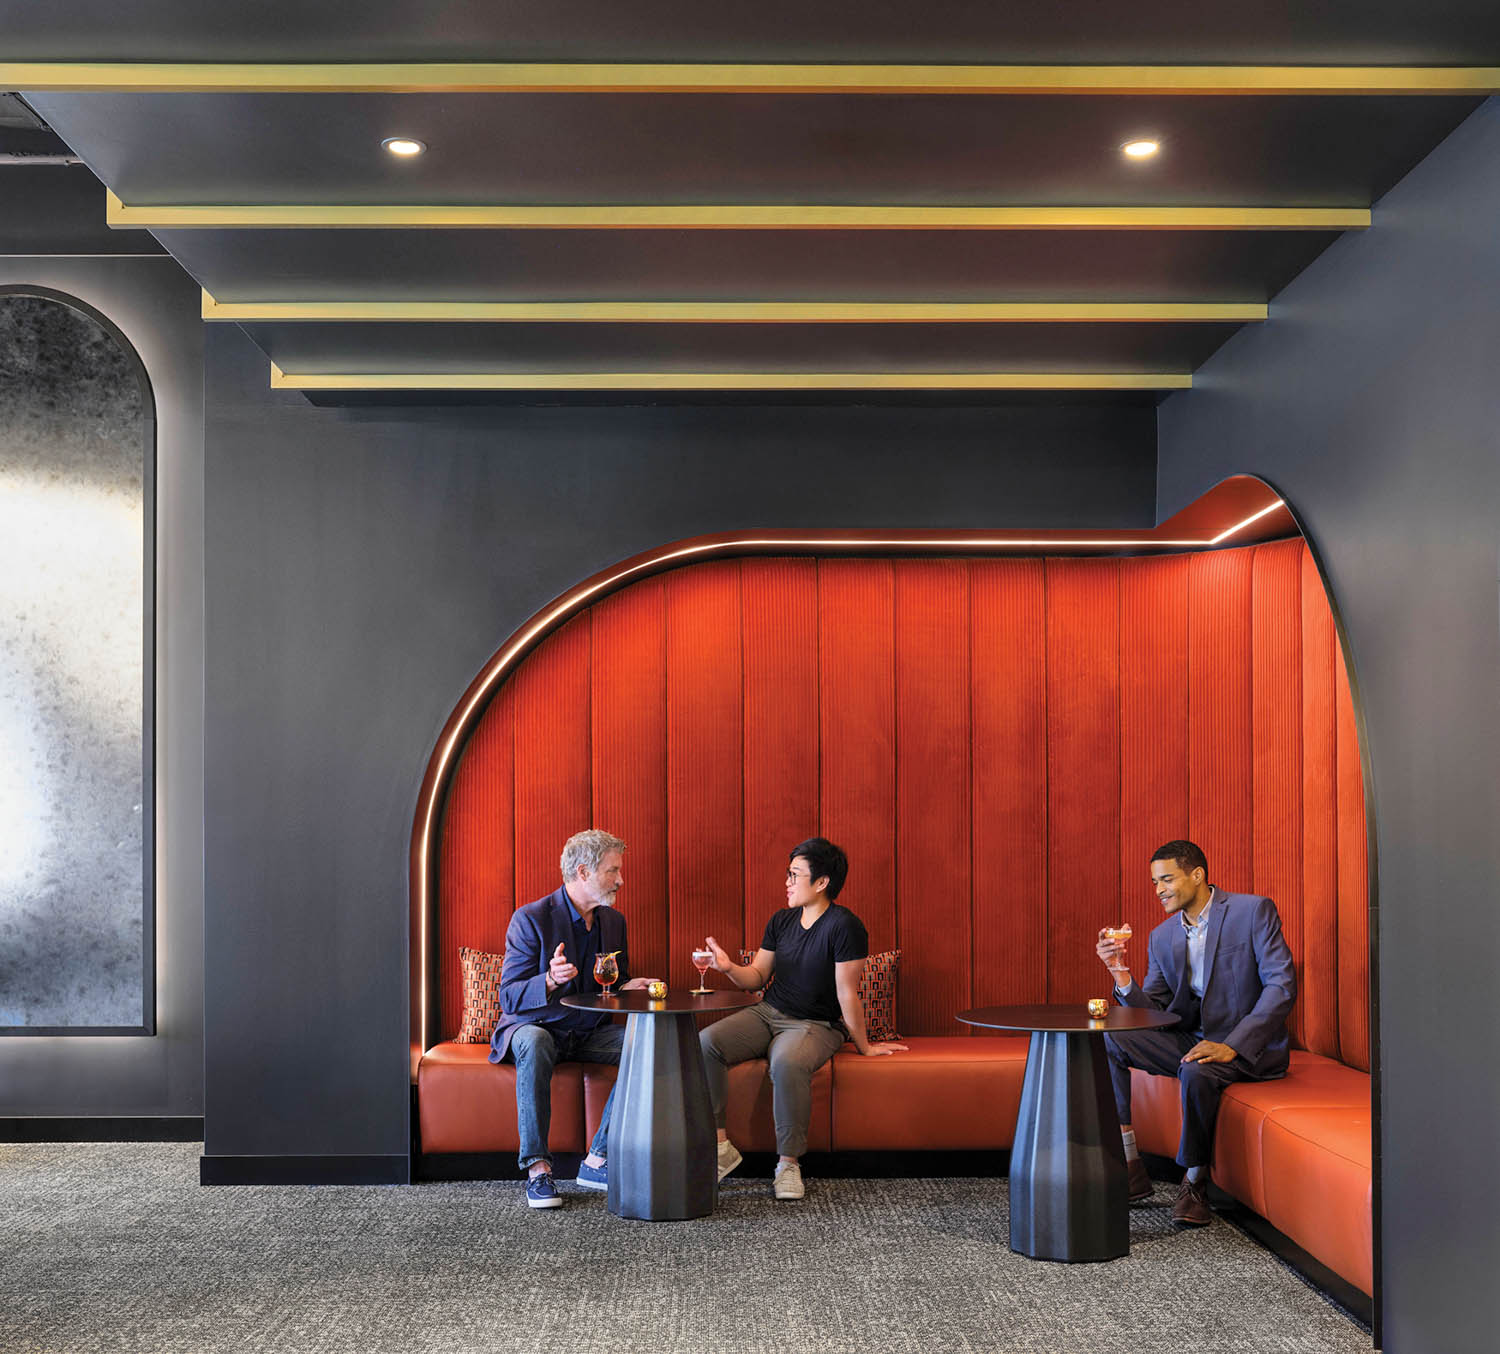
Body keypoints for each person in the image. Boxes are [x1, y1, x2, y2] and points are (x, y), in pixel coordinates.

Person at [1096, 839, 1297, 1227]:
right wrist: (1120, 972)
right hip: (1191, 1038)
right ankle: (1130, 1161)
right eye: (1155, 883)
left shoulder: (1252, 911)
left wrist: (1232, 1045)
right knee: (1110, 1035)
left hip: (1248, 1048)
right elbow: (1152, 1012)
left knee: (1197, 1069)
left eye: (1167, 880)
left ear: (1197, 875)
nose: (1159, 890)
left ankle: (1194, 1183)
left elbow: (1281, 986)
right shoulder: (1162, 935)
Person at [699, 836, 908, 1201]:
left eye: (795, 875)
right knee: (706, 1043)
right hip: (768, 1013)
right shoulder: (781, 920)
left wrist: (864, 1046)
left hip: (816, 1025)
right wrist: (728, 967)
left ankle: (788, 1164)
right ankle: (720, 1148)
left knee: (787, 1063)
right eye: (789, 873)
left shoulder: (845, 926)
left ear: (822, 882)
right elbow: (758, 977)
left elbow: (847, 993)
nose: (787, 882)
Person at [489, 829, 659, 1209]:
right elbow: (509, 996)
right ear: (583, 872)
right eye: (612, 871)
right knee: (533, 1042)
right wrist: (549, 979)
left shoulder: (613, 922)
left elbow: (608, 988)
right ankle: (538, 1169)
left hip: (587, 1032)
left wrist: (631, 986)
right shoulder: (531, 918)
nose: (621, 880)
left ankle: (597, 1158)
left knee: (647, 1042)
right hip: (537, 1028)